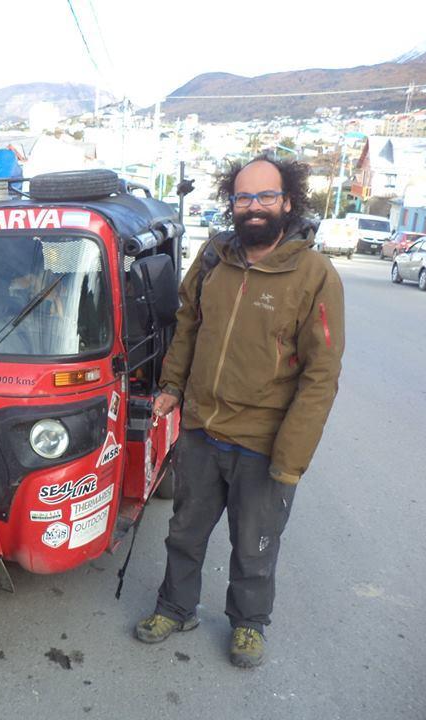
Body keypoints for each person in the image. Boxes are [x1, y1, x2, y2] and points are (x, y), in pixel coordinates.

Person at [134, 155, 345, 668]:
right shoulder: (213, 257)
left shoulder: (314, 274)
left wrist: (291, 458)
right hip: (203, 429)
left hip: (264, 439)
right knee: (184, 531)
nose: (254, 207)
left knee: (254, 546)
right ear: (232, 203)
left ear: (287, 201)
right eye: (244, 197)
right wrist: (172, 387)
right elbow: (188, 325)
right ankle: (175, 606)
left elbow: (321, 375)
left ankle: (249, 624)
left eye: (265, 196)